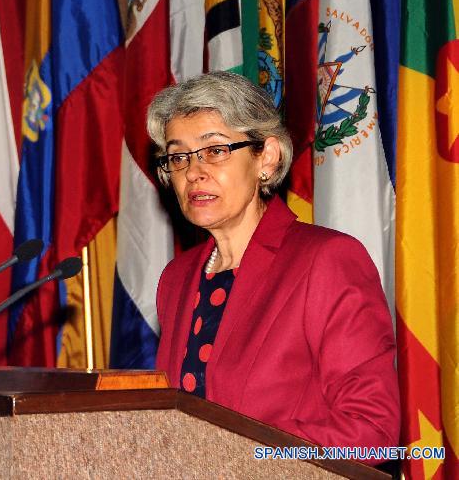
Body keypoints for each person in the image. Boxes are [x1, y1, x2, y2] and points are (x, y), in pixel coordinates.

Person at [148, 71, 399, 454]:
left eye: (214, 151)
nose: (193, 172)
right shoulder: (176, 278)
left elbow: (372, 430)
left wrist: (243, 453)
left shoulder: (325, 261)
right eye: (178, 156)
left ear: (266, 157)